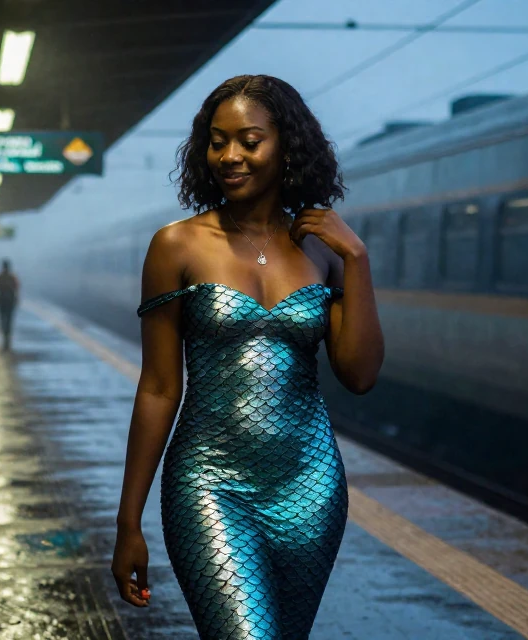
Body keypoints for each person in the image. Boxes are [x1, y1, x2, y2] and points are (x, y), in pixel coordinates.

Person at [111, 75, 385, 639]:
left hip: (310, 486)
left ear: (287, 146)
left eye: (249, 141)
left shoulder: (326, 251)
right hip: (209, 483)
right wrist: (127, 520)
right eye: (217, 142)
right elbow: (159, 387)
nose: (229, 156)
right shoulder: (176, 245)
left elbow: (360, 375)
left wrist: (356, 259)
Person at [0, 259, 19, 350]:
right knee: (8, 319)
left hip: (2, 301)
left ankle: (5, 336)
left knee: (3, 319)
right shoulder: (12, 277)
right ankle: (7, 337)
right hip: (9, 301)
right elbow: (16, 288)